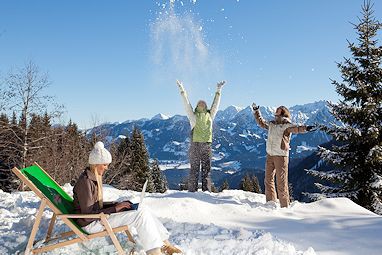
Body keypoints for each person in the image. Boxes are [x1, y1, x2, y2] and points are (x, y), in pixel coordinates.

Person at [73, 141, 182, 255]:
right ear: (96, 164)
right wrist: (115, 209)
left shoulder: (93, 179)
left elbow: (93, 206)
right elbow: (88, 214)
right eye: (105, 164)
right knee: (140, 215)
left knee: (141, 208)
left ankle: (165, 244)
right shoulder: (85, 183)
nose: (107, 168)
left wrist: (117, 205)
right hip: (91, 224)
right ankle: (154, 252)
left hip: (98, 218)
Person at [252, 103, 316, 208]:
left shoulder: (287, 125)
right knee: (268, 180)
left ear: (282, 113)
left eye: (278, 110)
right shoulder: (271, 124)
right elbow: (261, 123)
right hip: (270, 154)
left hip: (281, 156)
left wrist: (307, 128)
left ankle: (285, 206)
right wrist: (256, 111)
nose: (275, 112)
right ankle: (270, 203)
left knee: (281, 183)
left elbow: (297, 128)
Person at [176, 80, 225, 192]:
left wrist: (218, 90)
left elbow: (215, 105)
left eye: (203, 103)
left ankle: (206, 192)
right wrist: (182, 89)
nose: (201, 103)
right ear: (197, 106)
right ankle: (192, 192)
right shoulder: (193, 117)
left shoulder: (210, 115)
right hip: (195, 146)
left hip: (207, 146)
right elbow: (186, 104)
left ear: (206, 106)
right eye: (199, 103)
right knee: (194, 170)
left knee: (206, 171)